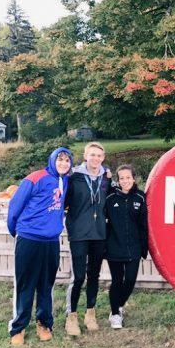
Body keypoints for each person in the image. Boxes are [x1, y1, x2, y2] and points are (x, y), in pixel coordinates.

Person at [7, 147, 73, 346]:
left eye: (67, 160)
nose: (63, 163)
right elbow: (15, 206)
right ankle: (18, 327)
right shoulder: (35, 178)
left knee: (46, 284)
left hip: (51, 241)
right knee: (25, 283)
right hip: (29, 238)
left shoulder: (66, 180)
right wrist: (16, 231)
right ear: (53, 160)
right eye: (60, 159)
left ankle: (44, 323)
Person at [64, 141, 112, 335]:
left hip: (99, 233)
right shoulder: (74, 177)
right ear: (85, 156)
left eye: (99, 156)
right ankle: (71, 316)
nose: (95, 159)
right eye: (92, 155)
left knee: (94, 275)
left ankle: (90, 312)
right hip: (78, 233)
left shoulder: (106, 179)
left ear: (103, 158)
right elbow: (63, 201)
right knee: (78, 276)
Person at [104, 164, 148, 329]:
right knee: (117, 281)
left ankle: (118, 305)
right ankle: (115, 314)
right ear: (118, 180)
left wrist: (144, 248)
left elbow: (144, 225)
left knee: (130, 280)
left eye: (128, 177)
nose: (125, 181)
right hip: (114, 247)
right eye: (121, 178)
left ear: (133, 179)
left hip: (134, 248)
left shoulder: (140, 197)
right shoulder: (110, 197)